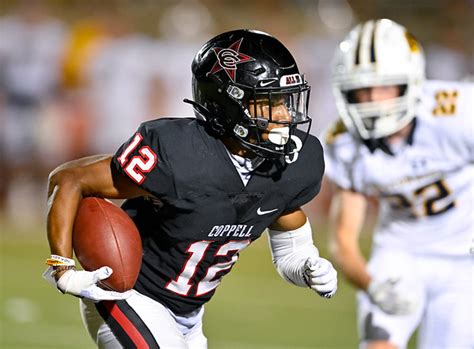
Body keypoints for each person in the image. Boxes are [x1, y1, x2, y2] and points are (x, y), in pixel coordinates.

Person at [43, 29, 338, 348]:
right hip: (127, 294)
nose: (284, 115)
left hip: (190, 315)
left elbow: (289, 246)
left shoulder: (291, 163)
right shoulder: (178, 154)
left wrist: (307, 264)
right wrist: (62, 267)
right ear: (229, 104)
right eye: (269, 103)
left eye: (285, 101)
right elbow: (70, 179)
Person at [323, 19, 473, 349]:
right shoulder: (344, 144)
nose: (373, 100)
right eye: (361, 89)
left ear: (411, 82)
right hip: (401, 254)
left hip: (465, 259)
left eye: (384, 86)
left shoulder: (457, 112)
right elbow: (343, 241)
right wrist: (370, 285)